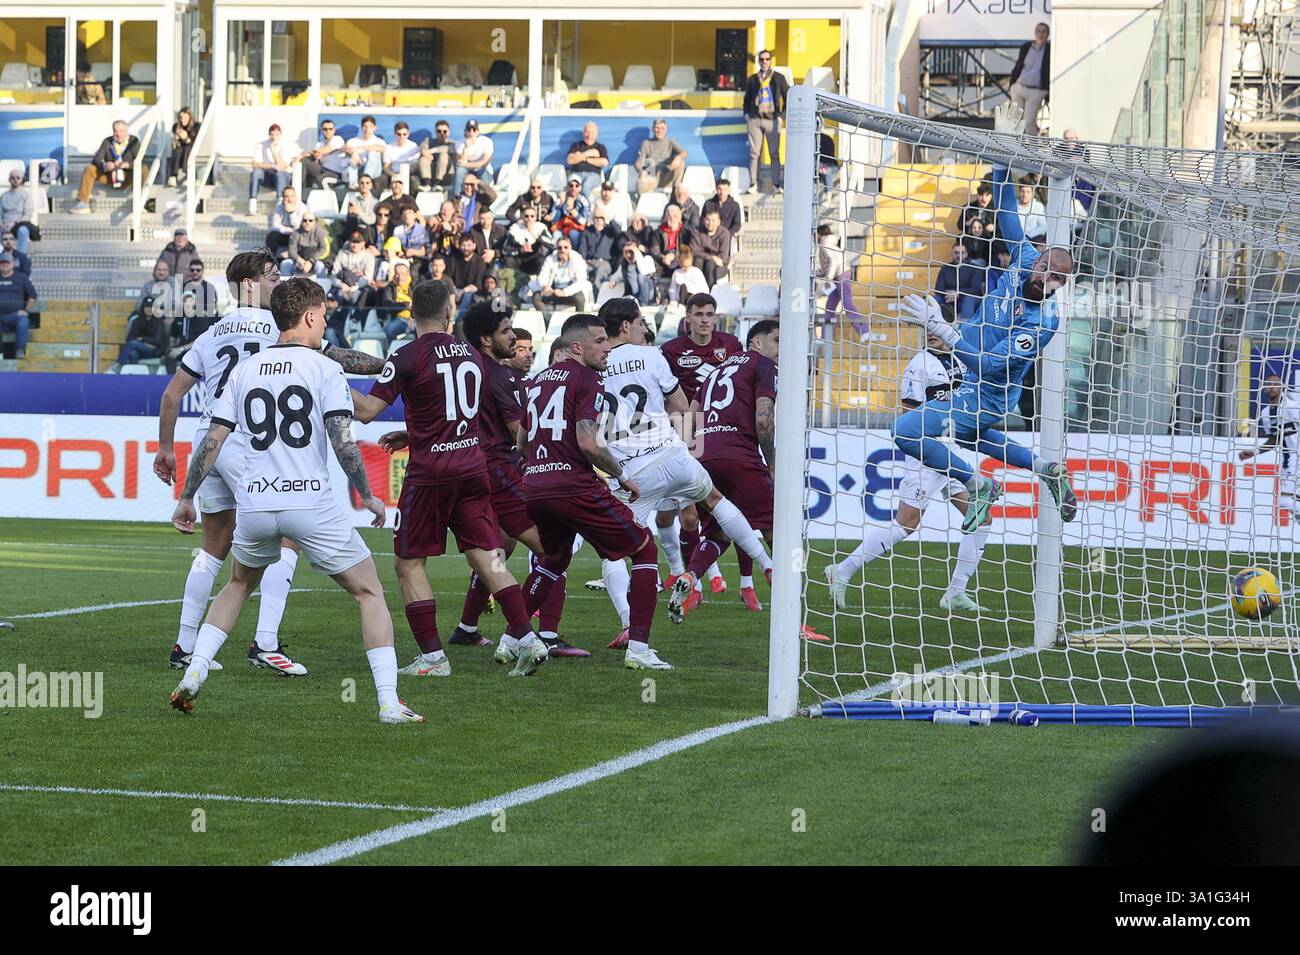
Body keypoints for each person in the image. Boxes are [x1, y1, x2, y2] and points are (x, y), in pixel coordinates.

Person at [167, 278, 421, 723]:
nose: (325, 323)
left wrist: (187, 496)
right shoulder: (325, 369)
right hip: (310, 503)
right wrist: (367, 494)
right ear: (308, 317)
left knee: (237, 585)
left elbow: (213, 438)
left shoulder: (247, 369)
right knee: (369, 592)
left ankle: (195, 672)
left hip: (256, 503)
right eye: (323, 315)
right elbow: (343, 440)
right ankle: (387, 701)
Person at [891, 102, 1078, 536]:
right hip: (969, 378)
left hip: (988, 392)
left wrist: (943, 330)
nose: (1045, 281)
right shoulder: (1026, 255)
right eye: (1045, 270)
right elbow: (1008, 212)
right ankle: (1046, 469)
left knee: (907, 432)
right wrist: (1002, 153)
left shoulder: (1042, 321)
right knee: (969, 437)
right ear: (1039, 259)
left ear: (1060, 287)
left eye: (1056, 281)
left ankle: (978, 485)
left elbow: (992, 364)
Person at [350, 281, 549, 677]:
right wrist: (417, 432)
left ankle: (433, 658)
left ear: (411, 315)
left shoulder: (407, 355)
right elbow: (463, 412)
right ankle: (528, 639)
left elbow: (368, 411)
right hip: (473, 466)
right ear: (449, 310)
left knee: (409, 564)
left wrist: (326, 379)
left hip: (431, 473)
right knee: (486, 556)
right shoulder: (473, 355)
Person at [598, 298, 773, 634]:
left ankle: (627, 623)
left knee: (614, 551)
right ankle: (768, 565)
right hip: (671, 453)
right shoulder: (653, 355)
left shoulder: (596, 366)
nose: (644, 329)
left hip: (631, 471)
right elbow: (681, 406)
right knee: (716, 501)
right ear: (625, 326)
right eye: (640, 323)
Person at [518, 312, 673, 670]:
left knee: (553, 560)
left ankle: (513, 639)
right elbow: (588, 442)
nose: (607, 349)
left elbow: (523, 439)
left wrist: (540, 466)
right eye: (600, 342)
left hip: (536, 484)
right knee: (645, 548)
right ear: (577, 346)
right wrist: (620, 475)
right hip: (572, 485)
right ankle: (639, 648)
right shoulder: (587, 378)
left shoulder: (538, 381)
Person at [827, 319, 991, 613]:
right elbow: (910, 415)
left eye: (936, 327)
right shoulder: (919, 364)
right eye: (926, 328)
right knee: (907, 524)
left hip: (952, 449)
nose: (931, 333)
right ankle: (842, 570)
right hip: (928, 453)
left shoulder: (964, 361)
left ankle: (956, 592)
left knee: (982, 517)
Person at [658, 294, 743, 593]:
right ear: (688, 318)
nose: (705, 320)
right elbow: (664, 394)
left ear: (716, 317)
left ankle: (736, 581)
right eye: (699, 314)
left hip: (723, 433)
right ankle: (690, 579)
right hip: (685, 433)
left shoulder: (731, 345)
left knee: (722, 507)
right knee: (686, 513)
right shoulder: (670, 351)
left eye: (710, 314)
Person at [743, 51, 789, 194]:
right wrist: (746, 115)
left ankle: (776, 184)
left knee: (774, 153)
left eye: (767, 59)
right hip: (755, 118)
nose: (764, 62)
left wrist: (782, 116)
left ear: (771, 61)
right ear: (759, 61)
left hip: (773, 119)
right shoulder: (752, 79)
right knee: (754, 153)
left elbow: (788, 97)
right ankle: (753, 183)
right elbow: (747, 99)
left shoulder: (778, 78)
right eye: (762, 59)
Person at [72, 120, 139, 213]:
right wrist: (105, 165)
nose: (118, 134)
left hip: (127, 177)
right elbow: (96, 159)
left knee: (143, 169)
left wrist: (127, 164)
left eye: (121, 131)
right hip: (110, 177)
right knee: (90, 169)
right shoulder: (107, 141)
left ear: (127, 131)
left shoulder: (133, 141)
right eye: (115, 131)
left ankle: (140, 202)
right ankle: (83, 202)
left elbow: (140, 159)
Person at [1009, 22, 1051, 134]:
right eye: (1038, 31)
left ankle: (1032, 150)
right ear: (1035, 33)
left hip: (1036, 91)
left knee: (1029, 122)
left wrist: (1047, 90)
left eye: (1043, 31)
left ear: (1048, 34)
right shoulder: (1026, 47)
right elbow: (1019, 65)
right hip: (1019, 87)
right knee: (1015, 120)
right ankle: (1014, 147)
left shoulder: (1049, 50)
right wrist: (1012, 84)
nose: (1040, 34)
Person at [527, 237, 590, 311]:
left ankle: (579, 321)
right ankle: (545, 319)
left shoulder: (577, 259)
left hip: (570, 292)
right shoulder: (550, 259)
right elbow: (542, 276)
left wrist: (564, 292)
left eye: (565, 247)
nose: (562, 250)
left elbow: (581, 282)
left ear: (570, 248)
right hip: (554, 291)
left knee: (580, 298)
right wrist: (544, 286)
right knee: (536, 297)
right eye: (560, 248)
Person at [112, 295, 169, 370]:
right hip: (140, 349)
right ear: (143, 308)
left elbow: (158, 340)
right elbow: (129, 339)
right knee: (133, 354)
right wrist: (143, 344)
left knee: (133, 344)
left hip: (154, 351)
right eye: (147, 307)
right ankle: (134, 377)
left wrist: (142, 339)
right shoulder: (136, 321)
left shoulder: (159, 321)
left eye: (151, 307)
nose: (149, 309)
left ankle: (119, 364)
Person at [248, 124, 293, 215]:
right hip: (268, 176)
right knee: (256, 172)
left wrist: (273, 150)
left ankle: (280, 201)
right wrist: (272, 166)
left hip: (283, 177)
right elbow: (255, 164)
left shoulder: (286, 145)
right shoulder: (262, 145)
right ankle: (252, 201)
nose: (274, 137)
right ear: (269, 134)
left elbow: (282, 165)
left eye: (276, 134)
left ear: (280, 134)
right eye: (272, 134)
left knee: (280, 172)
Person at [634, 119, 687, 194]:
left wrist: (678, 158)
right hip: (651, 176)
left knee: (681, 163)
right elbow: (638, 162)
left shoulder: (670, 141)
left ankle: (675, 194)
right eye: (657, 128)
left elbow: (684, 153)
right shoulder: (646, 143)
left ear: (666, 129)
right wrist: (641, 171)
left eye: (662, 128)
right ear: (653, 129)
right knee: (647, 165)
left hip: (667, 175)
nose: (660, 131)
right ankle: (642, 203)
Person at [935, 243, 986, 321]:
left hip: (968, 299)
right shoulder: (945, 268)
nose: (959, 255)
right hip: (949, 299)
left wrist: (958, 293)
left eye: (962, 253)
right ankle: (934, 325)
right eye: (956, 253)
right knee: (936, 299)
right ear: (952, 253)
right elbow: (938, 288)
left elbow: (975, 289)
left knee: (969, 299)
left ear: (966, 254)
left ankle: (964, 328)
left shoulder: (975, 268)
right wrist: (950, 294)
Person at [0, 252, 36, 359]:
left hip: (13, 316)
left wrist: (26, 310)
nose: (4, 264)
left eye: (7, 262)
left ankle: (20, 351)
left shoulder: (21, 277)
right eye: (2, 262)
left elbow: (33, 295)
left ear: (13, 264)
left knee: (23, 319)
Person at [295, 118, 349, 192]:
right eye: (325, 129)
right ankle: (302, 189)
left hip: (336, 174)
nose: (328, 131)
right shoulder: (319, 144)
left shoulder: (338, 139)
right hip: (322, 170)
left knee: (320, 179)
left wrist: (302, 155)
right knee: (305, 162)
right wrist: (301, 157)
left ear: (334, 130)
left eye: (330, 129)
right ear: (322, 130)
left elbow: (323, 151)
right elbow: (315, 155)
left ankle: (336, 189)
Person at [598, 241, 656, 306]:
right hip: (634, 295)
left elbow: (643, 271)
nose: (628, 255)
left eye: (631, 252)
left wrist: (637, 254)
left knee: (641, 277)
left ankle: (642, 303)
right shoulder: (624, 265)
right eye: (626, 252)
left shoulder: (647, 259)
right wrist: (613, 281)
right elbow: (616, 276)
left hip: (649, 294)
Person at [448, 232, 488, 320]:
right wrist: (454, 291)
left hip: (470, 292)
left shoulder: (479, 261)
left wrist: (463, 291)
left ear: (474, 246)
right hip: (454, 291)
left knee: (468, 295)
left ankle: (458, 318)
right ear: (459, 245)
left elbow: (478, 285)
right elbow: (449, 279)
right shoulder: (453, 259)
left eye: (469, 245)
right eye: (463, 245)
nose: (466, 248)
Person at [688, 208, 732, 288]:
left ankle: (710, 294)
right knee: (697, 261)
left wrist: (712, 259)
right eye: (708, 220)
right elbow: (694, 251)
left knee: (710, 264)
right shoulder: (697, 231)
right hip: (700, 262)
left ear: (718, 222)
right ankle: (697, 291)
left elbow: (723, 257)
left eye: (713, 220)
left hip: (718, 266)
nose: (710, 223)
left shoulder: (724, 234)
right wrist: (711, 257)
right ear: (704, 220)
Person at [565, 122, 610, 195]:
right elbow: (570, 160)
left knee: (586, 185)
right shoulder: (576, 146)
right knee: (573, 186)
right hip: (576, 173)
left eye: (592, 132)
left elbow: (604, 162)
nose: (589, 135)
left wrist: (583, 158)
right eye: (587, 132)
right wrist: (588, 154)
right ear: (583, 133)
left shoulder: (600, 147)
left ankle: (586, 206)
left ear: (596, 134)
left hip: (594, 175)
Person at [503, 206, 551, 275]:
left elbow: (552, 245)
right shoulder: (515, 227)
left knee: (542, 260)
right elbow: (505, 249)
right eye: (526, 216)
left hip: (534, 258)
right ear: (522, 217)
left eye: (532, 216)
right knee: (509, 260)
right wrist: (520, 249)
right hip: (519, 258)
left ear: (536, 217)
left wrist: (536, 236)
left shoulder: (541, 227)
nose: (529, 219)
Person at [283, 213, 331, 279]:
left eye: (310, 220)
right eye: (305, 220)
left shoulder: (320, 232)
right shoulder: (295, 233)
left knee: (320, 266)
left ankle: (322, 287)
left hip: (315, 260)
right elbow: (291, 251)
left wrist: (310, 261)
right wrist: (299, 260)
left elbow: (323, 249)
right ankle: (286, 287)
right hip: (299, 261)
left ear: (315, 221)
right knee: (285, 264)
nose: (307, 223)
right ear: (301, 221)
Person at [453, 119, 495, 195]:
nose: (471, 132)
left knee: (483, 171)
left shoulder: (487, 142)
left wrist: (466, 164)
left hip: (482, 169)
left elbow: (484, 162)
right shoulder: (459, 143)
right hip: (467, 169)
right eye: (469, 130)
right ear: (465, 131)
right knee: (459, 171)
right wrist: (466, 146)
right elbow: (460, 162)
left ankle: (485, 198)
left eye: (474, 129)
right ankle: (457, 198)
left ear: (478, 131)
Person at [344, 115, 386, 188]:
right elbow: (345, 148)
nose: (367, 129)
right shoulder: (354, 140)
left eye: (370, 126)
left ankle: (366, 180)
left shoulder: (379, 141)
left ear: (375, 128)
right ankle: (353, 185)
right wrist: (353, 153)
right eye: (365, 126)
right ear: (361, 127)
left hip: (375, 171)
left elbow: (382, 148)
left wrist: (359, 148)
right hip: (359, 168)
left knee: (372, 153)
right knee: (351, 159)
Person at [549, 176, 592, 245]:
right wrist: (561, 204)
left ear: (580, 188)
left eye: (576, 186)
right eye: (571, 186)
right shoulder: (561, 198)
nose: (573, 188)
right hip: (561, 227)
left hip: (576, 228)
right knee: (556, 234)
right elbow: (553, 219)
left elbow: (584, 222)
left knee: (573, 234)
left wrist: (576, 215)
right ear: (568, 187)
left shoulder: (584, 201)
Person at [1, 170, 34, 254]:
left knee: (23, 231)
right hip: (4, 225)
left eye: (18, 178)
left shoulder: (26, 194)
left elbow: (27, 214)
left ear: (21, 180)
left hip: (19, 224)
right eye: (12, 178)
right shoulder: (4, 196)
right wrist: (2, 224)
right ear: (9, 180)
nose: (15, 180)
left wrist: (14, 223)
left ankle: (20, 258)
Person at [267, 186, 305, 258]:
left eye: (292, 196)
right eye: (286, 196)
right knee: (271, 236)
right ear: (283, 198)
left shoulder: (302, 207)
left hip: (297, 235)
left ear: (295, 197)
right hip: (284, 234)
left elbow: (298, 227)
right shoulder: (279, 207)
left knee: (299, 236)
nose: (289, 199)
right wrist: (290, 231)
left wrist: (291, 213)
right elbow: (275, 226)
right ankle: (271, 257)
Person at [417, 119, 455, 190]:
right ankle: (426, 184)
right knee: (423, 158)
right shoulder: (428, 141)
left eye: (444, 131)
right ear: (435, 132)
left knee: (443, 155)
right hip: (431, 170)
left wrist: (431, 151)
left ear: (449, 132)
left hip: (446, 174)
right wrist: (426, 154)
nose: (442, 133)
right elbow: (422, 149)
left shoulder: (452, 143)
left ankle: (437, 184)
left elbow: (447, 149)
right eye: (439, 131)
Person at [167, 107, 200, 187]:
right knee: (179, 149)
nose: (183, 120)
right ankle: (173, 176)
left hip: (192, 150)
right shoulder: (176, 126)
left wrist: (186, 138)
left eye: (185, 118)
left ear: (190, 117)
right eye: (181, 118)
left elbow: (195, 143)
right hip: (180, 152)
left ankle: (190, 176)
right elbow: (177, 144)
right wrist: (176, 139)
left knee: (187, 148)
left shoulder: (196, 126)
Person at [1016, 175, 1048, 242]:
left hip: (1034, 239)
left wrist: (1029, 236)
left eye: (1028, 192)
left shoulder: (1038, 206)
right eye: (1022, 192)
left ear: (1033, 194)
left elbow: (1043, 226)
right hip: (1016, 239)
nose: (1025, 195)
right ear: (1019, 192)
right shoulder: (1013, 206)